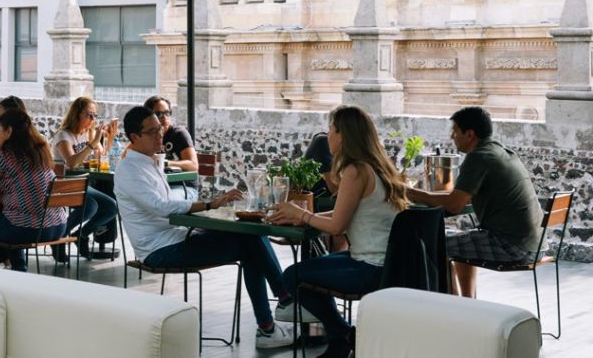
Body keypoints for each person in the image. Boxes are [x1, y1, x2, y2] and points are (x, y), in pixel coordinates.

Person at [115, 105, 293, 349]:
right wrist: (209, 204)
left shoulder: (149, 163)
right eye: (153, 131)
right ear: (135, 137)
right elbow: (160, 206)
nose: (160, 135)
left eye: (160, 129)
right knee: (250, 241)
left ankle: (272, 320)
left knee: (249, 234)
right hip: (158, 250)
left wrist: (212, 204)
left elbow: (169, 204)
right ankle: (280, 307)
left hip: (177, 237)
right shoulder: (128, 169)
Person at [268, 105, 408, 358]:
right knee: (308, 270)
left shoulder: (355, 171)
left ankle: (342, 334)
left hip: (370, 268)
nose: (327, 135)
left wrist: (300, 213)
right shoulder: (377, 167)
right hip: (391, 263)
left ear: (341, 134)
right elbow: (344, 213)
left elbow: (337, 227)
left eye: (331, 129)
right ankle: (340, 338)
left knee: (293, 276)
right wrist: (304, 219)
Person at [408, 106, 543, 298]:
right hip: (534, 244)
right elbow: (460, 199)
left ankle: (455, 308)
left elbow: (454, 205)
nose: (451, 136)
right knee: (461, 241)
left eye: (455, 130)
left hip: (512, 246)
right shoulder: (499, 150)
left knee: (435, 245)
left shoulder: (479, 157)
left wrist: (412, 193)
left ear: (469, 134)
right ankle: (468, 303)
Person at [0, 108, 65, 271]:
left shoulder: (7, 156)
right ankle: (17, 268)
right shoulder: (41, 151)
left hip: (30, 228)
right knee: (0, 216)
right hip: (57, 224)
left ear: (9, 131)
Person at [52, 96, 119, 257]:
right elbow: (72, 162)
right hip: (63, 185)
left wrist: (109, 138)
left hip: (83, 184)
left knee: (111, 207)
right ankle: (59, 237)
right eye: (89, 115)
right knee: (90, 206)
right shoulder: (64, 136)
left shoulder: (89, 134)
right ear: (77, 115)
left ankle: (81, 235)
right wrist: (92, 143)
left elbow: (101, 157)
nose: (92, 119)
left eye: (94, 116)